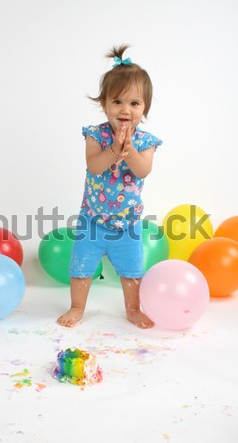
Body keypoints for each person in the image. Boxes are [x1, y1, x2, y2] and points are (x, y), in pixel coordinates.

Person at [58, 44, 162, 329]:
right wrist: (114, 151)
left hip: (127, 224)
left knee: (132, 272)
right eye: (117, 102)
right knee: (81, 269)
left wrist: (130, 153)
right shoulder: (96, 135)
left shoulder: (146, 142)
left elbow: (144, 170)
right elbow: (94, 165)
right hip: (92, 221)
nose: (125, 110)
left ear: (145, 109)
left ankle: (133, 309)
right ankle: (77, 307)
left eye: (134, 103)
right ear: (104, 104)